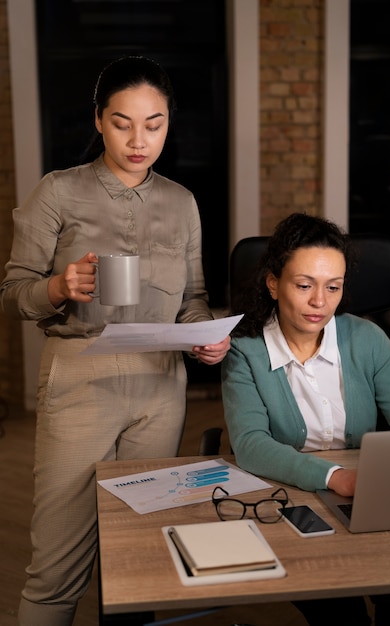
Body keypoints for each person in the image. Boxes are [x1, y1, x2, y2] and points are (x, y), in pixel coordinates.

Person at [0, 55, 230, 626]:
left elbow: (193, 298)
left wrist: (205, 338)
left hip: (161, 385)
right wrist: (57, 286)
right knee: (56, 569)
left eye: (154, 124)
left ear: (168, 123)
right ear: (99, 120)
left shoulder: (182, 202)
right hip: (82, 380)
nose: (139, 139)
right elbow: (11, 293)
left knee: (137, 561)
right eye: (123, 122)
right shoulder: (58, 192)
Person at [221, 212, 390, 626]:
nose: (319, 302)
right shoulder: (245, 350)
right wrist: (333, 477)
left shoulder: (367, 339)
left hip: (368, 492)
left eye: (333, 287)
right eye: (304, 285)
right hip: (288, 496)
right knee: (340, 610)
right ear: (274, 283)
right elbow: (251, 444)